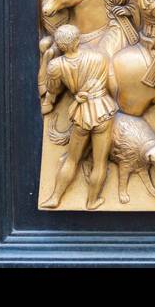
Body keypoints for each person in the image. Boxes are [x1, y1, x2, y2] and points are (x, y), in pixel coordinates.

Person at [39, 24, 117, 210]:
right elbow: (113, 85)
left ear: (60, 45)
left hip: (82, 112)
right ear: (77, 40)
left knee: (72, 159)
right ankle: (92, 201)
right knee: (100, 162)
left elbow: (53, 90)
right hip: (103, 110)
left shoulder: (56, 65)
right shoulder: (100, 57)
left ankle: (55, 197)